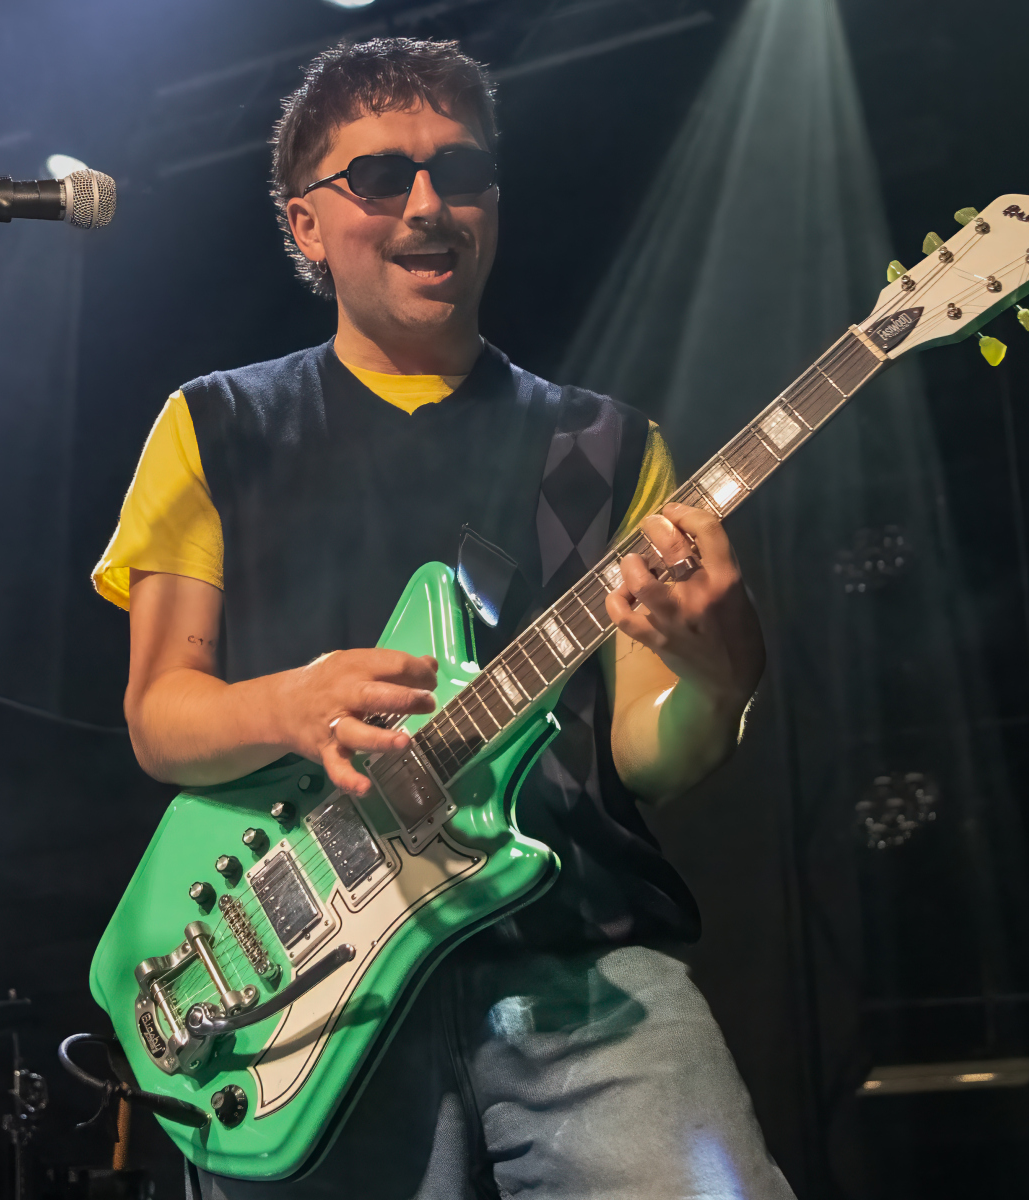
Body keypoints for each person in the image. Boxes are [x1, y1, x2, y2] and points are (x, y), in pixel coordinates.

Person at [94, 37, 792, 1200]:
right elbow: (162, 716)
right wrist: (293, 705)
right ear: (306, 223)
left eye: (458, 171)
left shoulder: (607, 449)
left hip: (575, 967)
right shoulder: (214, 427)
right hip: (310, 990)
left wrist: (718, 677)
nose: (427, 204)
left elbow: (643, 760)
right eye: (379, 177)